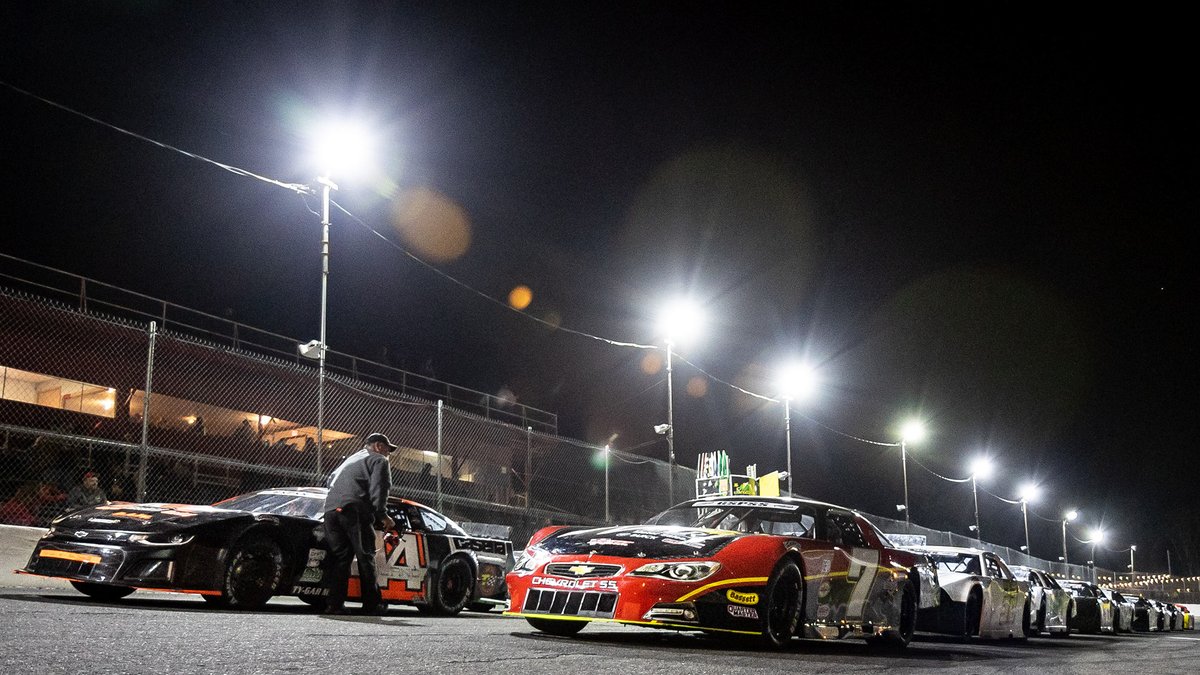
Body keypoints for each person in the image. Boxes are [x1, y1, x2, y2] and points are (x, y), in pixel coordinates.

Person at [322, 432, 396, 615]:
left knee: (341, 558)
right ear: (379, 446)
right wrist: (383, 515)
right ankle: (372, 604)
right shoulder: (379, 460)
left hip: (331, 510)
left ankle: (334, 605)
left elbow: (330, 480)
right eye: (388, 450)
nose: (389, 454)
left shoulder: (351, 459)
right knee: (366, 556)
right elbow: (379, 488)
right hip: (354, 509)